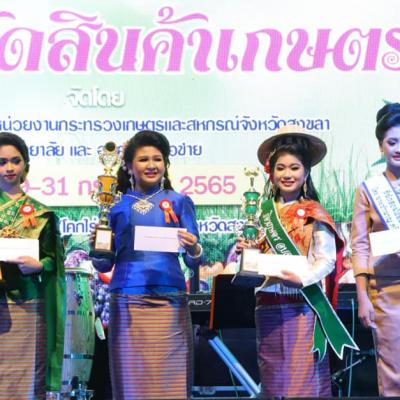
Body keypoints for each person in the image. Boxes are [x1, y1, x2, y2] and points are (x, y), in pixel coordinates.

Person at [91, 130, 203, 400]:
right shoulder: (115, 206)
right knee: (132, 381)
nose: (151, 165)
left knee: (171, 379)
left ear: (166, 163)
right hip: (127, 299)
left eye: (157, 159)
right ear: (129, 166)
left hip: (170, 299)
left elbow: (193, 259)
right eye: (143, 159)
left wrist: (193, 247)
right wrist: (97, 246)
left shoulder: (179, 201)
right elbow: (104, 265)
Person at [236, 124, 347, 398]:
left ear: (306, 172)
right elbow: (254, 261)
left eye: (295, 168)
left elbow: (326, 260)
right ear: (271, 173)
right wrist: (247, 254)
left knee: (303, 379)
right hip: (267, 306)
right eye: (281, 168)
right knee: (274, 379)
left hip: (303, 306)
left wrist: (302, 279)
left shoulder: (314, 212)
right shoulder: (260, 214)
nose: (288, 174)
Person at [0, 132, 65, 399]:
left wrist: (39, 266)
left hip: (27, 306)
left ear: (25, 164)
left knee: (25, 381)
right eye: (2, 162)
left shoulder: (42, 213)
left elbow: (54, 261)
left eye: (16, 161)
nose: (9, 168)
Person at [351, 102, 400, 396]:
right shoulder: (369, 189)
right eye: (392, 142)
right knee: (393, 368)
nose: (398, 149)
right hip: (386, 290)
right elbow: (359, 245)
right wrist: (362, 297)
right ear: (381, 145)